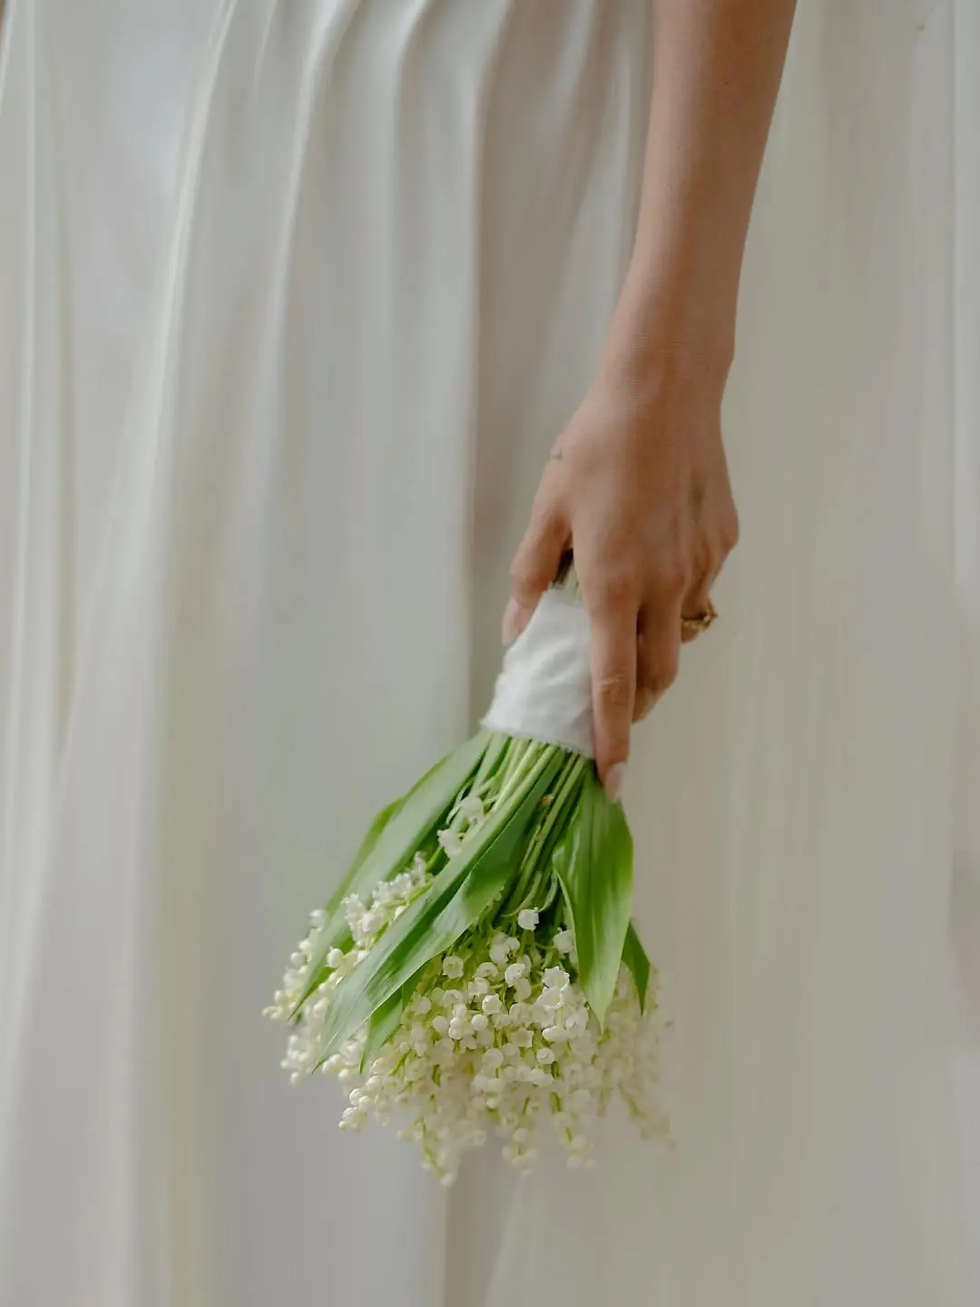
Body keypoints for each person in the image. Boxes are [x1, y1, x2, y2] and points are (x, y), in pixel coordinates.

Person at [1, 1, 978, 1305]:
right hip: (154, 124)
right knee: (171, 927)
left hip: (450, 121)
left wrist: (676, 344)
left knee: (401, 1074)